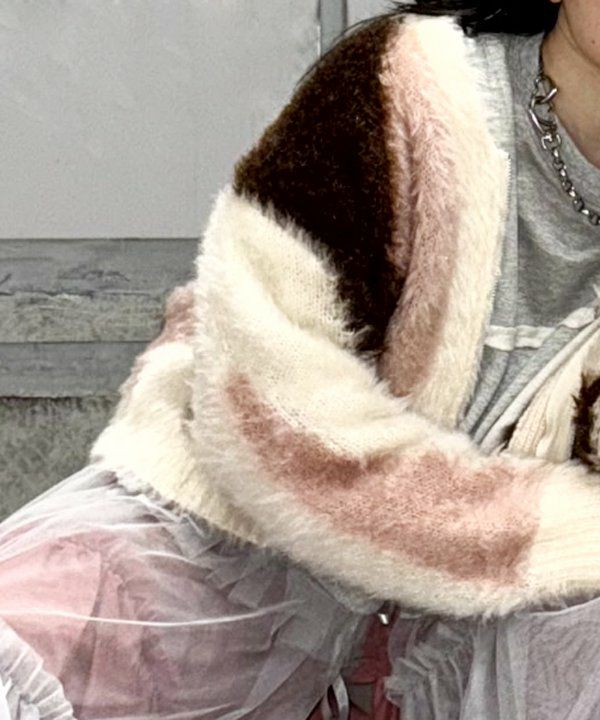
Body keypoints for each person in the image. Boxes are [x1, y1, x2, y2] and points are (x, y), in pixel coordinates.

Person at [2, 0, 600, 717]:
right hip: (228, 535)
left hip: (469, 624)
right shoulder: (410, 85)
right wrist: (559, 532)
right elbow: (270, 409)